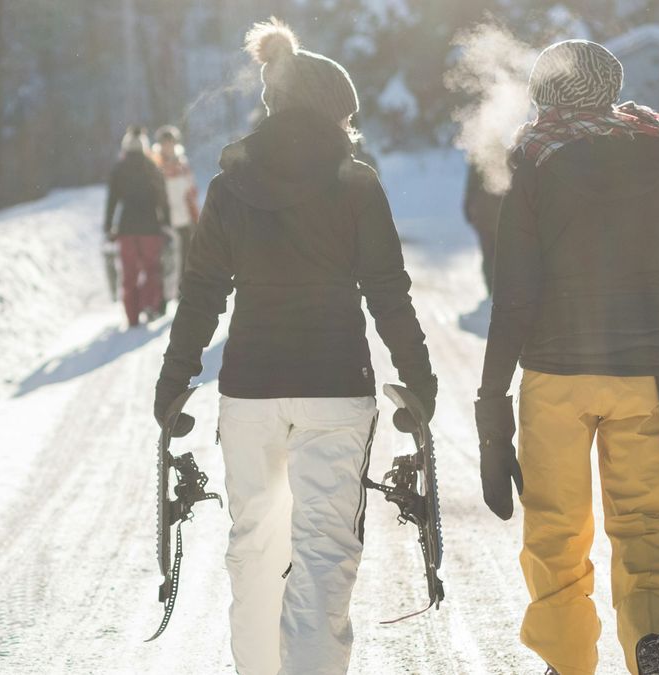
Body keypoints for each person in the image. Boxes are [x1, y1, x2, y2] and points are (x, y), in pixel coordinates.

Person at [153, 18, 436, 675]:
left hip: (250, 390)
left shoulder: (229, 188)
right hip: (336, 389)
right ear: (336, 114)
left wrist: (173, 384)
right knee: (323, 552)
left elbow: (200, 295)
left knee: (253, 550)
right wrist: (420, 380)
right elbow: (389, 292)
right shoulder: (357, 184)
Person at [472, 40, 659, 675]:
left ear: (545, 93)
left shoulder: (533, 157)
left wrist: (491, 401)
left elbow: (514, 298)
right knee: (648, 527)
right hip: (650, 375)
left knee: (556, 531)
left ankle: (567, 661)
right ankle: (655, 639)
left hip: (556, 379)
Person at [105, 125, 170, 327]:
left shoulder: (118, 169)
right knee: (152, 269)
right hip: (151, 227)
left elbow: (112, 201)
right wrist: (166, 222)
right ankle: (149, 304)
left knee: (129, 273)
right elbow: (162, 197)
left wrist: (108, 226)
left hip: (126, 229)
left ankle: (132, 316)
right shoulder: (151, 167)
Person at [154, 125, 200, 303]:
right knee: (167, 259)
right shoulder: (156, 165)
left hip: (186, 217)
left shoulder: (183, 164)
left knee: (186, 257)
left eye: (171, 143)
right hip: (166, 219)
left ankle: (183, 293)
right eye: (165, 143)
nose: (169, 147)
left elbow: (192, 190)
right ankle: (164, 297)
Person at [463, 162, 502, 296]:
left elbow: (471, 185)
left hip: (482, 214)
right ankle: (499, 288)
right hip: (500, 213)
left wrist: (467, 208)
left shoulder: (479, 153)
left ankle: (491, 288)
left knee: (488, 253)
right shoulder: (507, 151)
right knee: (502, 253)